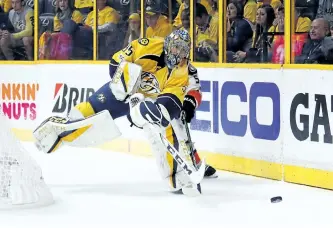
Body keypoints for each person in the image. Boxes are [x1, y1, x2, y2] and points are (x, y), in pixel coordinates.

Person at [33, 30, 216, 197]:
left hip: (148, 101)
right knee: (88, 112)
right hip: (122, 91)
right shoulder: (147, 45)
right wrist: (128, 90)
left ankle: (177, 177)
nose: (178, 53)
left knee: (164, 125)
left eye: (182, 50)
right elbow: (115, 63)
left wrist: (155, 114)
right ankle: (56, 134)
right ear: (167, 44)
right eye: (175, 47)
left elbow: (172, 100)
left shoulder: (183, 71)